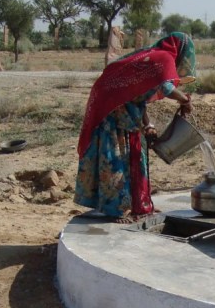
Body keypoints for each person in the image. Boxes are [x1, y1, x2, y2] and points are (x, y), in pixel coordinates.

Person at [74, 32, 195, 223]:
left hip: (119, 105)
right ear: (181, 51)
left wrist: (148, 125)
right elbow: (166, 88)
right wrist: (184, 100)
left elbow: (139, 96)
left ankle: (139, 203)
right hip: (112, 109)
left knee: (136, 155)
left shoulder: (151, 56)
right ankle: (116, 210)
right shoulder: (163, 58)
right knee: (116, 158)